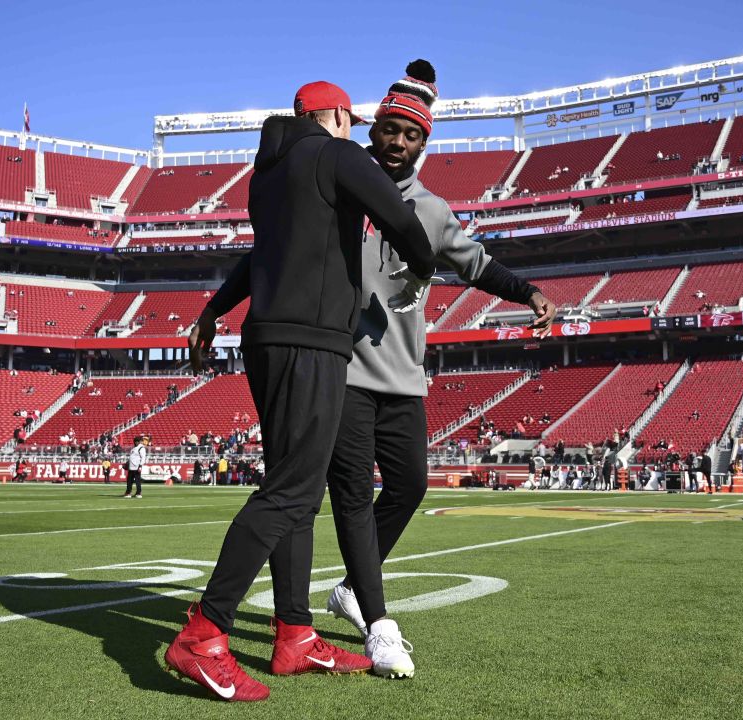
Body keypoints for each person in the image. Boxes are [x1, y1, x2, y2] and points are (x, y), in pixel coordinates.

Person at [169, 79, 437, 700]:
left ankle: (293, 633)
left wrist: (212, 311)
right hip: (311, 343)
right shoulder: (339, 154)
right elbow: (400, 215)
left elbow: (261, 256)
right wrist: (423, 265)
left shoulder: (267, 172)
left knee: (295, 485)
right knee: (291, 492)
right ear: (339, 115)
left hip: (264, 337)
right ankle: (205, 632)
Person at [317, 61, 557, 678]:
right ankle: (379, 624)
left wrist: (528, 292)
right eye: (390, 130)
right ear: (371, 132)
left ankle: (349, 589)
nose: (398, 142)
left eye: (411, 134)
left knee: (410, 487)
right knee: (350, 496)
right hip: (343, 371)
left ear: (425, 142)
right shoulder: (339, 189)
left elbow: (477, 265)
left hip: (402, 377)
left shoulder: (432, 210)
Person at [123, 435, 148, 499]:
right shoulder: (133, 448)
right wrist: (127, 464)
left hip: (137, 467)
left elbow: (143, 458)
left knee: (137, 481)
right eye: (135, 441)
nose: (136, 442)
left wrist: (140, 466)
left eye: (137, 441)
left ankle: (138, 493)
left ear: (139, 442)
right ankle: (128, 492)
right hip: (131, 467)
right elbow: (131, 458)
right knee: (129, 481)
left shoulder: (141, 448)